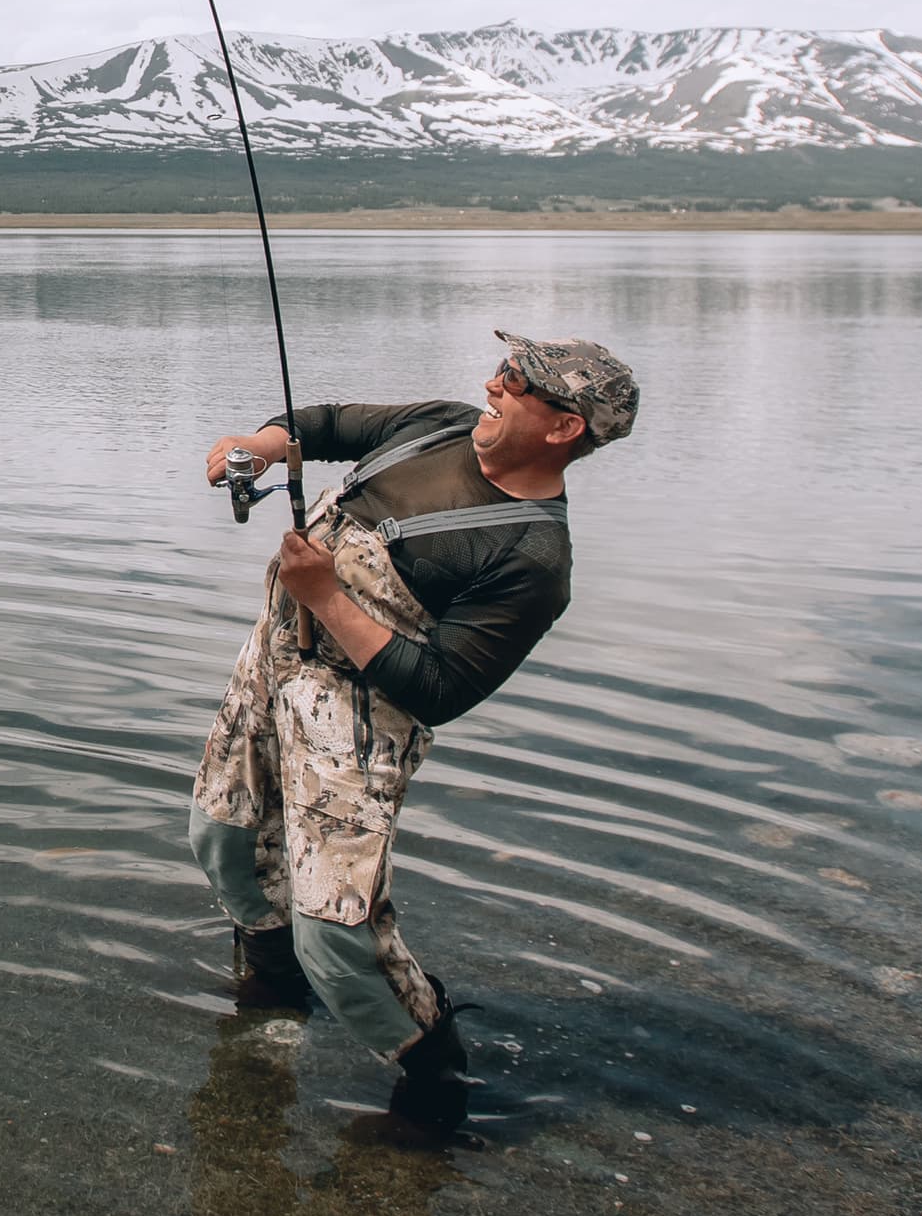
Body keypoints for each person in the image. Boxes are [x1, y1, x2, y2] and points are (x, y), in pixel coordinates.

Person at [185, 329, 639, 1076]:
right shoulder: (441, 425)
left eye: (519, 381)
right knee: (222, 837)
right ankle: (269, 995)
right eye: (502, 368)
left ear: (564, 428)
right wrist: (263, 443)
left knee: (336, 936)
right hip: (271, 665)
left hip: (359, 728)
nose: (495, 383)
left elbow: (441, 688)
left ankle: (432, 1085)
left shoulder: (531, 559)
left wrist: (325, 595)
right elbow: (326, 425)